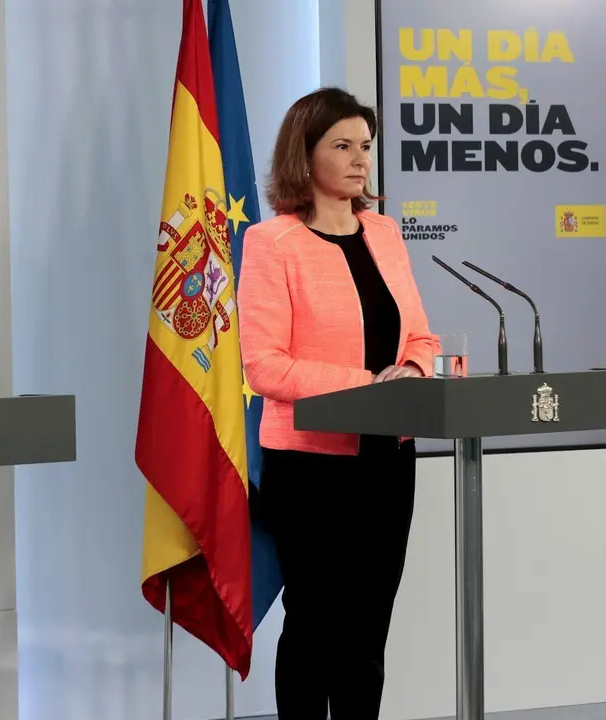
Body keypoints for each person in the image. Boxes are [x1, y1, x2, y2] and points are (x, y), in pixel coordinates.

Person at [237, 87, 440, 719]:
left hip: (388, 460)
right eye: (343, 145)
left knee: (368, 630)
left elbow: (421, 337)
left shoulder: (384, 232)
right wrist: (365, 385)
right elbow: (263, 364)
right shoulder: (274, 243)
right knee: (314, 630)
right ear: (305, 154)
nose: (360, 160)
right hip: (311, 467)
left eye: (367, 147)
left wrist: (409, 369)